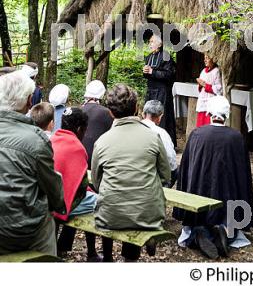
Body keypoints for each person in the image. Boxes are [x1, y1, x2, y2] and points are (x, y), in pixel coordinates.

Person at [91, 84, 171, 262]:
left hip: (110, 215)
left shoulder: (102, 142)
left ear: (110, 113)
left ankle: (108, 258)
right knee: (137, 201)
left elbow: (96, 182)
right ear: (137, 108)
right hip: (147, 214)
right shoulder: (153, 137)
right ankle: (131, 258)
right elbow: (166, 175)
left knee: (112, 200)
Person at [173, 95, 253, 260]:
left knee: (197, 224)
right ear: (227, 115)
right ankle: (224, 233)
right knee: (228, 223)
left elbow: (187, 171)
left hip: (199, 202)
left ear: (209, 112)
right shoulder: (236, 137)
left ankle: (200, 234)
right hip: (227, 201)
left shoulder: (197, 135)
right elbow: (242, 176)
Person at [0, 71, 65, 256]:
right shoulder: (35, 139)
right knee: (48, 222)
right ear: (30, 101)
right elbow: (53, 190)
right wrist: (58, 206)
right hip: (19, 233)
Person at [51, 107, 101, 261]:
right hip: (63, 203)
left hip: (49, 198)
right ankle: (92, 253)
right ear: (80, 129)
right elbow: (80, 185)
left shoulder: (52, 139)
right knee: (101, 201)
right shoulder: (77, 147)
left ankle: (59, 247)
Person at [143, 34, 177, 147]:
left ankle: (164, 143)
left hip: (162, 92)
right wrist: (145, 72)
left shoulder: (166, 56)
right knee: (149, 114)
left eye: (152, 41)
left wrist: (153, 72)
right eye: (150, 42)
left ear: (159, 44)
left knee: (162, 116)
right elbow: (148, 75)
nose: (150, 44)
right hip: (151, 91)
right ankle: (148, 140)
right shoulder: (148, 57)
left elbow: (169, 75)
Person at [142, 99, 178, 187]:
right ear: (160, 117)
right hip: (153, 179)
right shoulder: (162, 134)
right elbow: (171, 160)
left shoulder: (132, 127)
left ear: (143, 114)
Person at [82, 80, 113, 168]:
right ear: (101, 95)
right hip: (96, 159)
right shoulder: (106, 112)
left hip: (79, 156)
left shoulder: (79, 110)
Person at [196, 53, 222, 127]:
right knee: (201, 123)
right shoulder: (203, 71)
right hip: (202, 100)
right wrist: (200, 85)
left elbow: (218, 87)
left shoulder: (216, 71)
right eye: (205, 58)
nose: (205, 60)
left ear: (213, 59)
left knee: (209, 123)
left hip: (211, 101)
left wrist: (205, 85)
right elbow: (200, 88)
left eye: (207, 58)